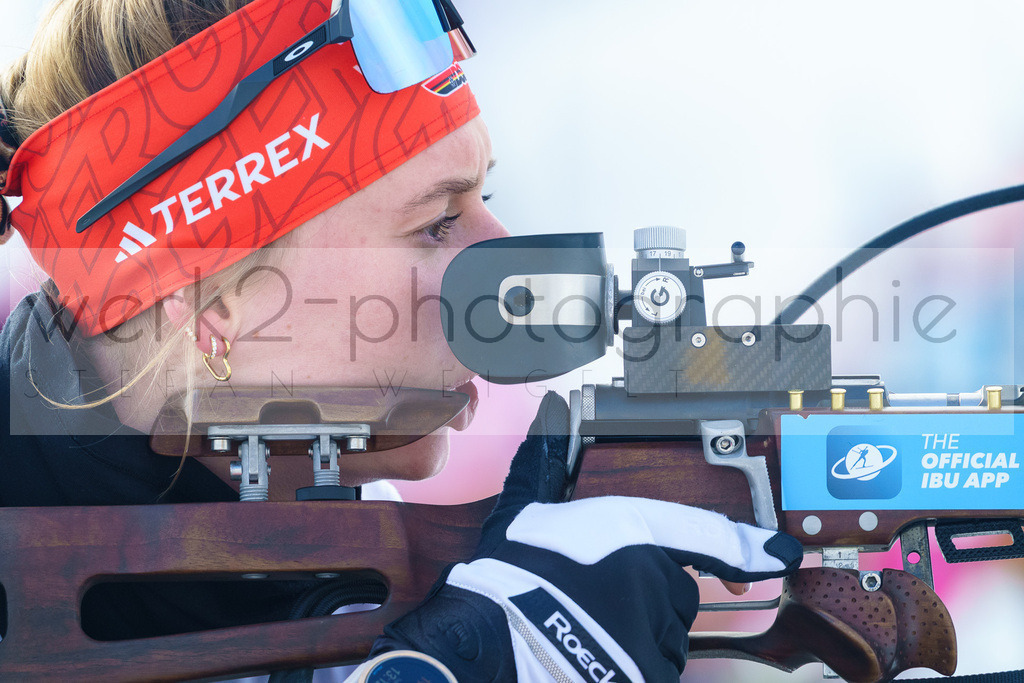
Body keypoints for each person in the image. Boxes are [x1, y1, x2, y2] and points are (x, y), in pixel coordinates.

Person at [0, 0, 801, 680]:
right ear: (213, 294)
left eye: (487, 197)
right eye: (437, 223)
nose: (501, 259)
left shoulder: (347, 543)